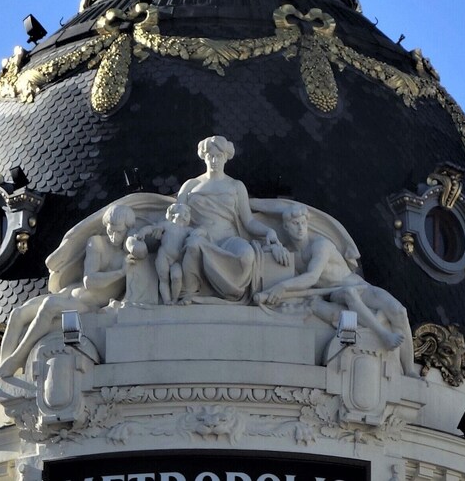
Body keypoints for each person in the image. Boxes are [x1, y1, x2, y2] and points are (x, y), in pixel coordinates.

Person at [258, 204, 420, 377]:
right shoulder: (293, 257)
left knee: (400, 311)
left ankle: (409, 369)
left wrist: (282, 287)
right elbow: (262, 251)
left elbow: (312, 277)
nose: (300, 228)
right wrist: (274, 246)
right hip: (337, 294)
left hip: (360, 287)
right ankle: (384, 335)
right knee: (349, 294)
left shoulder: (321, 245)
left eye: (303, 223)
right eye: (295, 223)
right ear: (285, 227)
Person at [0, 205, 137, 377]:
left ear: (128, 229)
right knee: (18, 314)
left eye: (118, 232)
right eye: (110, 230)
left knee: (49, 305)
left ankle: (14, 360)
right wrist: (120, 273)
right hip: (69, 293)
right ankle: (1, 374)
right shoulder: (96, 242)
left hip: (89, 307)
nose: (113, 236)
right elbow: (89, 281)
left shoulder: (130, 257)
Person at [176, 136, 289, 303]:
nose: (214, 160)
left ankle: (231, 292)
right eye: (210, 156)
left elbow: (248, 222)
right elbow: (177, 219)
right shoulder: (190, 186)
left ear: (225, 158)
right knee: (192, 246)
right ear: (204, 157)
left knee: (246, 255)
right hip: (201, 237)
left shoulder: (236, 186)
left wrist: (268, 231)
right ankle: (190, 292)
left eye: (218, 156)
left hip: (228, 239)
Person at [133, 203, 199, 304]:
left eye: (188, 214)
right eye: (184, 213)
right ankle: (167, 301)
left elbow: (201, 232)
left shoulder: (187, 230)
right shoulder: (166, 225)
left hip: (177, 260)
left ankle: (175, 299)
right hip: (164, 256)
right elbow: (151, 228)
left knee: (176, 277)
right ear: (173, 214)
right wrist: (142, 232)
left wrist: (200, 232)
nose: (187, 216)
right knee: (164, 279)